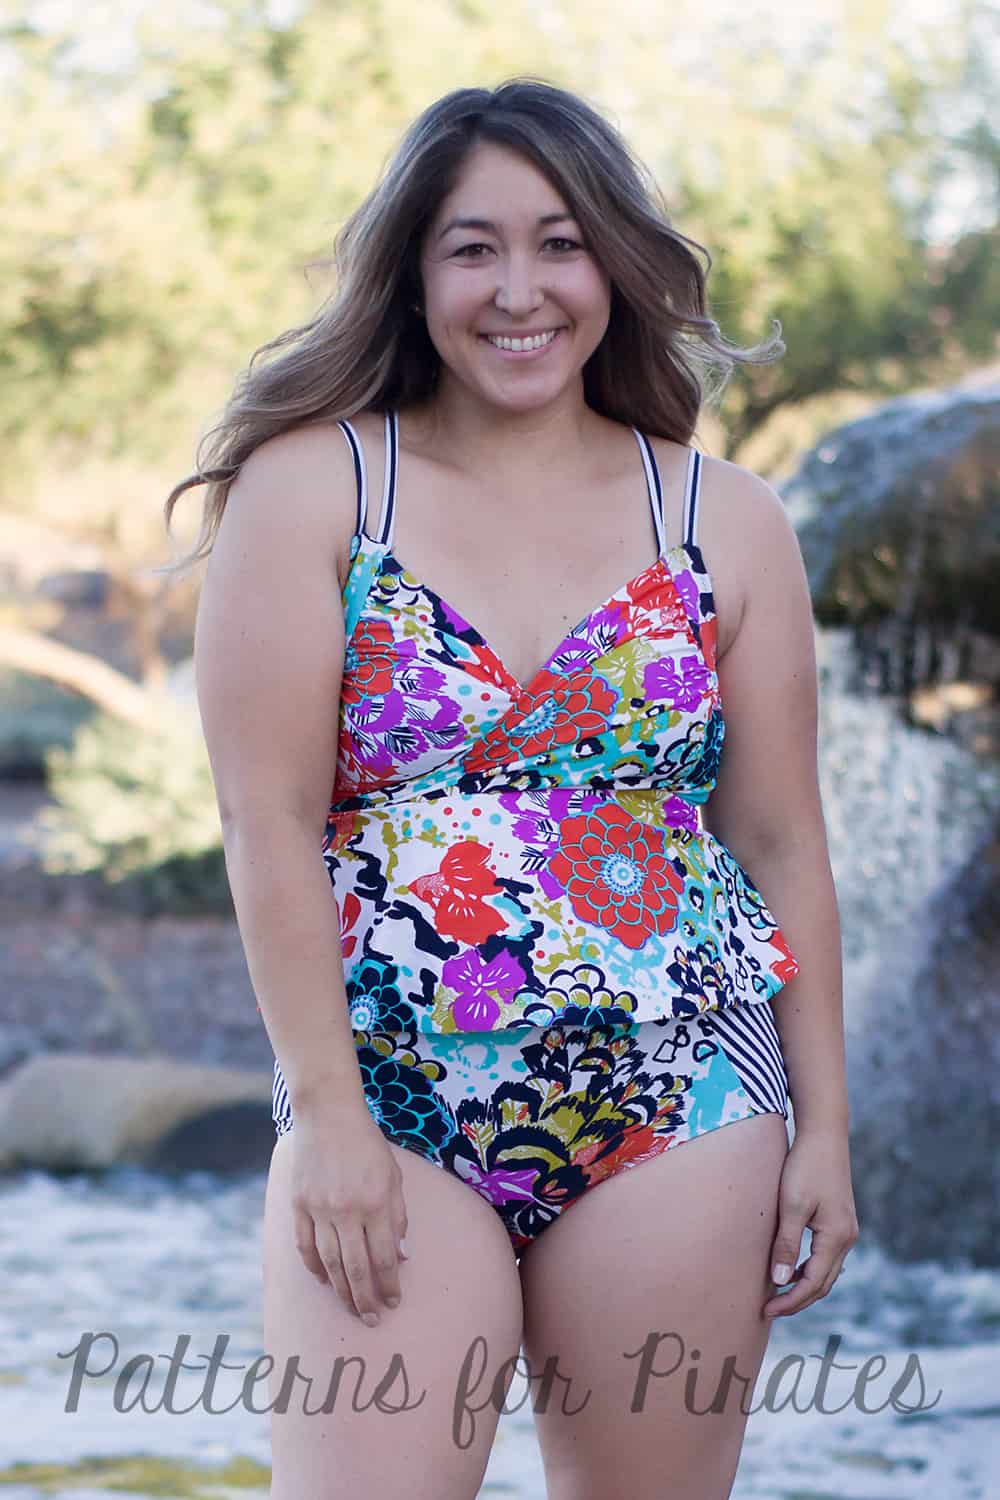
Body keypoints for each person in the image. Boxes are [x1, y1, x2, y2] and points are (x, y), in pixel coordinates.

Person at [171, 78, 857, 1500]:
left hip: (685, 1097)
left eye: (560, 243)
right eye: (472, 248)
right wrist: (329, 1118)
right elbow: (263, 822)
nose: (519, 290)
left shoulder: (726, 519)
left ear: (613, 263)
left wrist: (828, 1132)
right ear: (414, 276)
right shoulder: (315, 490)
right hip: (389, 1101)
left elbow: (782, 841)